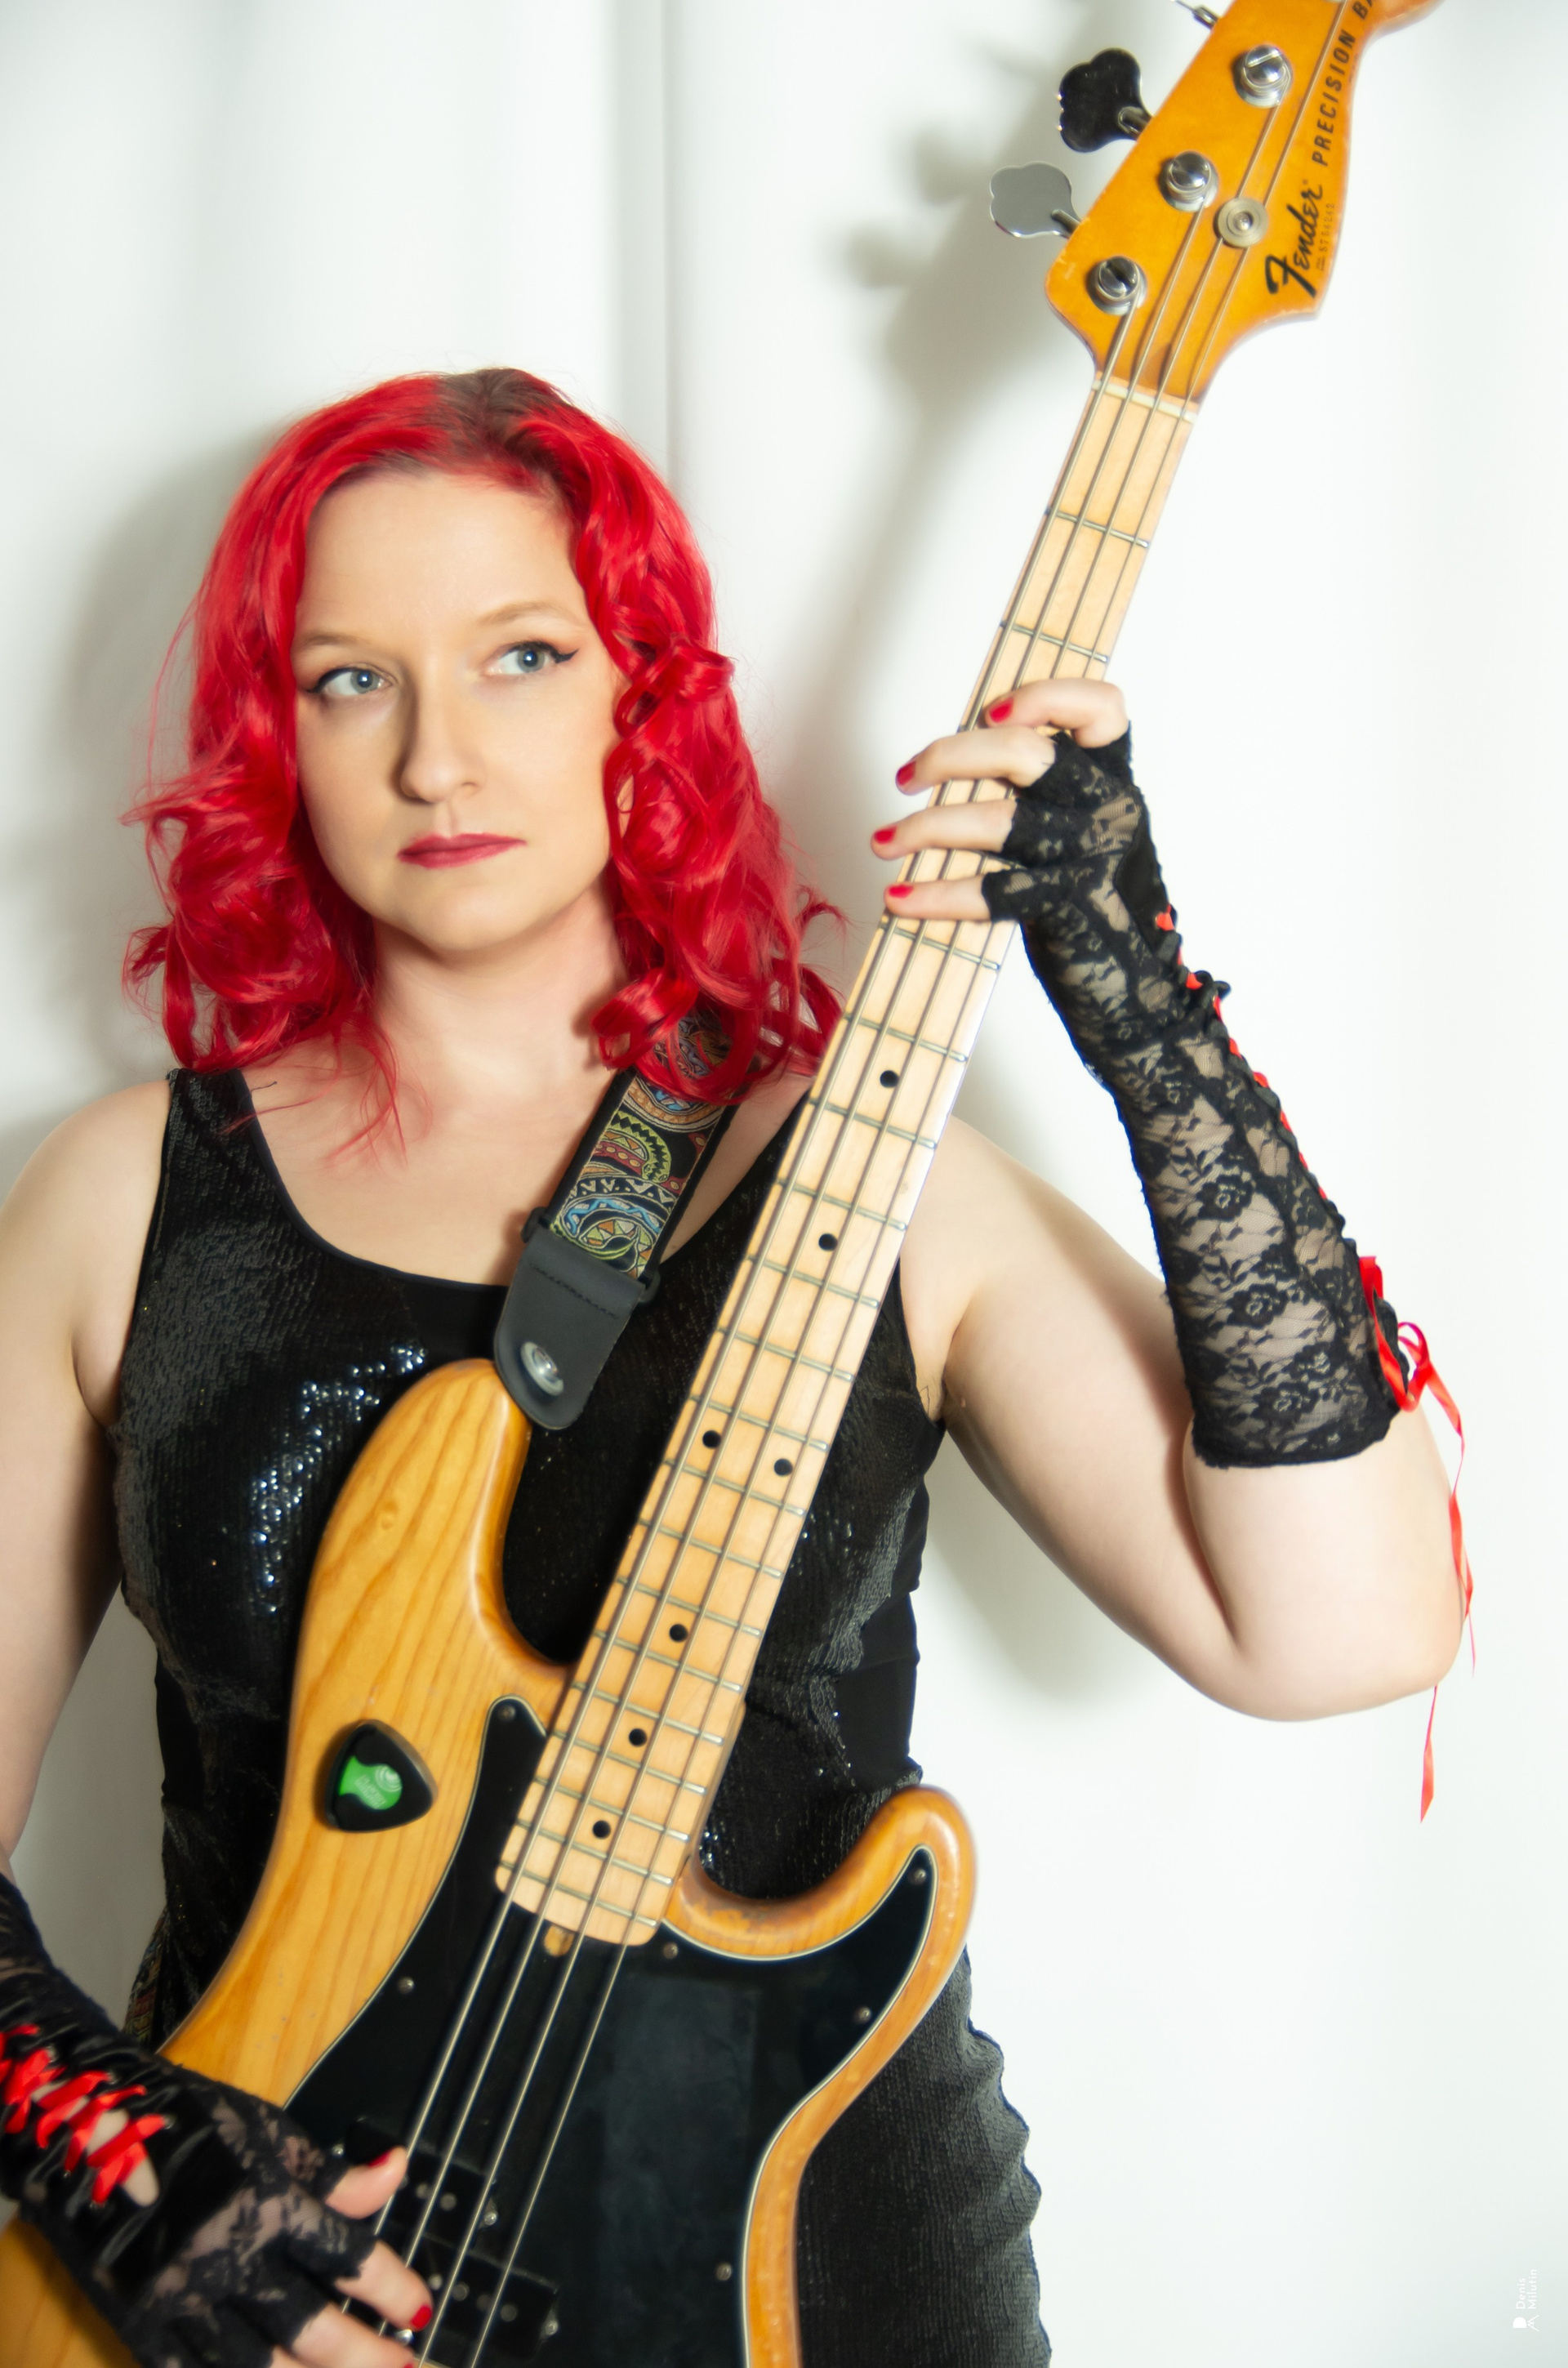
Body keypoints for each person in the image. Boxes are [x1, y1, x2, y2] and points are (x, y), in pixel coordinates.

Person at [0, 368, 1462, 2368]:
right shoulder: (127, 1198)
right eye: (350, 680)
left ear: (646, 694)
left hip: (828, 2281)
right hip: (273, 2297)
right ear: (277, 734)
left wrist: (1135, 988)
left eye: (523, 654)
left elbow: (1346, 1628)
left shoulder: (875, 1179)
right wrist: (100, 2145)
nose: (438, 755)